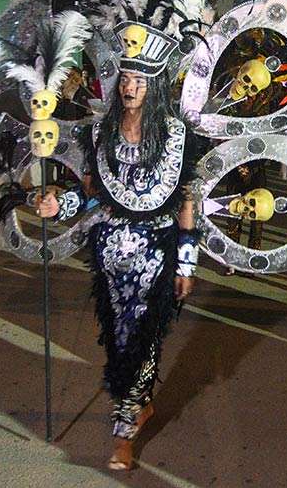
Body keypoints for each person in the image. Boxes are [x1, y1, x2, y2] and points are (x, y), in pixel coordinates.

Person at [37, 31, 197, 472]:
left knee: (144, 338)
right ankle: (137, 404)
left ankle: (123, 432)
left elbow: (185, 201)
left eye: (140, 80)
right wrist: (60, 204)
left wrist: (186, 261)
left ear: (156, 85)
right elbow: (93, 194)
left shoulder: (176, 136)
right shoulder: (102, 132)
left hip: (156, 252)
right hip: (110, 254)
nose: (130, 86)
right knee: (120, 339)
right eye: (126, 77)